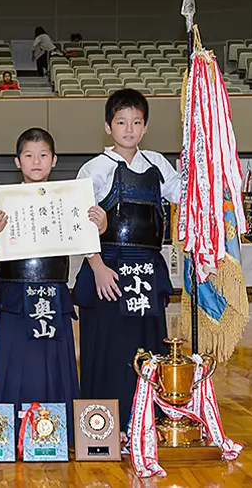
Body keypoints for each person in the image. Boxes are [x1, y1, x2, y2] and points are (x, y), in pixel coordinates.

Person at [0, 128, 107, 445]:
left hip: (54, 293)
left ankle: (59, 434)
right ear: (17, 161)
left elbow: (86, 242)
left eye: (43, 155)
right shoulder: (0, 201)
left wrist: (100, 227)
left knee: (55, 364)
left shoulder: (70, 200)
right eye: (28, 155)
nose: (36, 161)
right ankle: (5, 435)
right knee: (13, 364)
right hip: (13, 296)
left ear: (54, 160)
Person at [72, 89, 180, 437]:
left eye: (136, 122)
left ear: (145, 127)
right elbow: (80, 222)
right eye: (121, 122)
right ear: (108, 127)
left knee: (146, 350)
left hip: (146, 271)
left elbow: (187, 195)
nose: (129, 129)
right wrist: (97, 266)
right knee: (107, 349)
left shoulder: (157, 165)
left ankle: (144, 420)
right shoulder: (95, 168)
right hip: (109, 270)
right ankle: (103, 425)